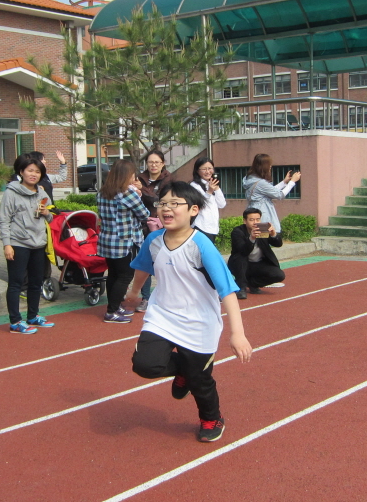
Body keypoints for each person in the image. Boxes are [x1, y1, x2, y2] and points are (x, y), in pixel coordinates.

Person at [125, 181, 252, 443]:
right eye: (163, 203)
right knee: (145, 365)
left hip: (199, 322)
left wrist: (237, 334)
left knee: (200, 381)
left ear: (193, 210)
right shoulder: (154, 240)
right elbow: (143, 268)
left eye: (175, 204)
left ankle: (212, 417)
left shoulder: (201, 245)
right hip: (162, 316)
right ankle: (182, 368)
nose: (166, 209)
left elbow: (227, 290)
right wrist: (133, 291)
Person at [0, 154, 55, 334]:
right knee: (15, 284)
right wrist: (7, 244)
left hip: (38, 244)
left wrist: (46, 212)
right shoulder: (11, 193)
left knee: (36, 282)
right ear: (21, 172)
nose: (33, 174)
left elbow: (51, 217)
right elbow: (3, 221)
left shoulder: (42, 192)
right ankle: (15, 321)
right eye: (30, 171)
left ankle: (32, 316)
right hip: (18, 244)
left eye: (37, 172)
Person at [97, 159, 150, 323]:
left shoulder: (103, 192)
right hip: (124, 241)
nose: (134, 176)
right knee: (125, 276)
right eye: (132, 174)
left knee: (113, 274)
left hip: (107, 239)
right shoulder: (128, 193)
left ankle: (115, 307)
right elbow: (145, 214)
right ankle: (111, 310)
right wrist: (139, 196)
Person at [135, 150, 172, 311]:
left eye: (157, 162)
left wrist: (141, 191)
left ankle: (169, 295)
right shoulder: (138, 178)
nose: (154, 165)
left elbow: (160, 202)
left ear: (163, 163)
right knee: (145, 263)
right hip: (142, 226)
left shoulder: (169, 180)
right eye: (151, 162)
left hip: (163, 227)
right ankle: (145, 297)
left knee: (165, 262)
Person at [228, 207, 286, 299]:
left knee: (279, 275)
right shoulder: (238, 231)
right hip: (240, 264)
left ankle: (252, 284)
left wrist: (273, 234)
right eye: (251, 220)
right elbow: (242, 251)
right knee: (241, 257)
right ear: (245, 221)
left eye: (257, 219)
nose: (255, 222)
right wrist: (251, 238)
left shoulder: (262, 229)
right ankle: (241, 288)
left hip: (258, 264)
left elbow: (278, 244)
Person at [242, 153, 300, 234]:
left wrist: (284, 182)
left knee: (258, 239)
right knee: (263, 239)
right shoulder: (260, 183)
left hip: (253, 211)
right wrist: (292, 182)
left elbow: (270, 191)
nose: (270, 167)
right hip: (262, 214)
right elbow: (280, 195)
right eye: (269, 165)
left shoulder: (250, 178)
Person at [189, 157, 227, 243]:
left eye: (210, 168)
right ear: (197, 171)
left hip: (212, 227)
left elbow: (222, 204)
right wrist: (209, 191)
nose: (207, 171)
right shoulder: (194, 186)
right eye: (204, 169)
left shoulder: (211, 184)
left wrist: (216, 189)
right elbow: (200, 205)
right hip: (200, 226)